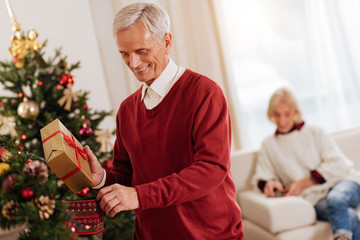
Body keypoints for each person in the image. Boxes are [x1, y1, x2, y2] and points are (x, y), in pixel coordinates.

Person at [84, 2, 243, 240]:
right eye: (125, 54)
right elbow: (127, 175)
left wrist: (140, 196)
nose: (134, 63)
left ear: (167, 42)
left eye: (142, 51)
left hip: (211, 235)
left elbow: (211, 169)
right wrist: (103, 179)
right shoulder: (127, 110)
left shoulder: (205, 93)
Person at [252, 87, 360, 240]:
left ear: (295, 112)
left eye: (287, 114)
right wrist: (269, 184)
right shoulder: (269, 145)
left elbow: (338, 163)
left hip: (344, 183)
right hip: (315, 198)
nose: (281, 121)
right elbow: (263, 174)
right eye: (277, 115)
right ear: (271, 115)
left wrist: (305, 182)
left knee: (336, 199)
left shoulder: (316, 132)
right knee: (348, 216)